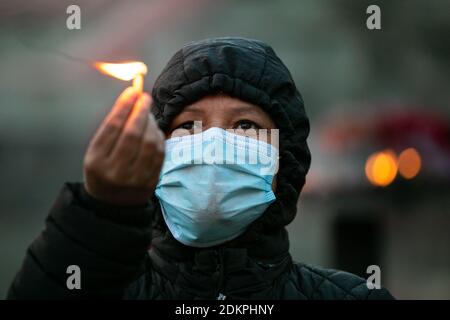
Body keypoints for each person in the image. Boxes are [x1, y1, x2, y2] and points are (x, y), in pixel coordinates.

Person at [7, 37, 394, 300]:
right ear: (156, 152)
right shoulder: (103, 288)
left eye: (245, 125)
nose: (213, 147)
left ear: (286, 159)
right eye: (187, 126)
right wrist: (102, 211)